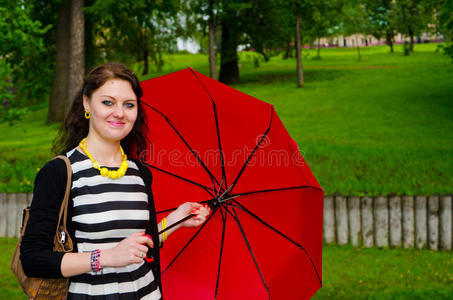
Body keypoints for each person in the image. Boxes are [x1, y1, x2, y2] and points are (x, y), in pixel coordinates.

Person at [20, 62, 210, 299]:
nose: (119, 113)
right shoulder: (60, 172)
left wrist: (175, 220)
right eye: (108, 102)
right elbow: (33, 259)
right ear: (87, 103)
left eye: (129, 105)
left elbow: (137, 245)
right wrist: (106, 257)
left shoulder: (139, 173)